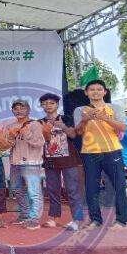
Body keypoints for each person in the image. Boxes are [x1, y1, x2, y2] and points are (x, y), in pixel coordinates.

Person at [74, 79, 127, 229]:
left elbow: (124, 127)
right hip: (90, 152)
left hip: (112, 150)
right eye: (92, 89)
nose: (95, 92)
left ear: (105, 92)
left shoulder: (114, 107)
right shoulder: (80, 110)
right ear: (86, 93)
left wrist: (105, 118)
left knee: (119, 185)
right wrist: (85, 120)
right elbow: (78, 132)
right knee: (91, 187)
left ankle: (121, 220)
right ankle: (95, 220)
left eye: (99, 89)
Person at [39, 93, 84, 231]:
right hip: (50, 159)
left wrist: (63, 126)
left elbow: (73, 134)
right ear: (41, 106)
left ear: (57, 105)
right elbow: (39, 141)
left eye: (51, 103)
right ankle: (53, 218)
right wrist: (45, 132)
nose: (48, 106)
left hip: (68, 159)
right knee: (52, 190)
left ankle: (77, 220)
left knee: (72, 190)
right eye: (45, 103)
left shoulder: (67, 118)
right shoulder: (39, 122)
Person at [6, 99, 46, 230]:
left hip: (31, 162)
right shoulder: (10, 126)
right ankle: (25, 215)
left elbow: (39, 143)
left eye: (22, 108)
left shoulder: (35, 124)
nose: (19, 111)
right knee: (17, 190)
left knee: (33, 191)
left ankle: (34, 218)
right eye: (16, 108)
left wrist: (26, 134)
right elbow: (4, 146)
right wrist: (10, 137)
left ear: (28, 110)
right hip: (15, 162)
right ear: (12, 111)